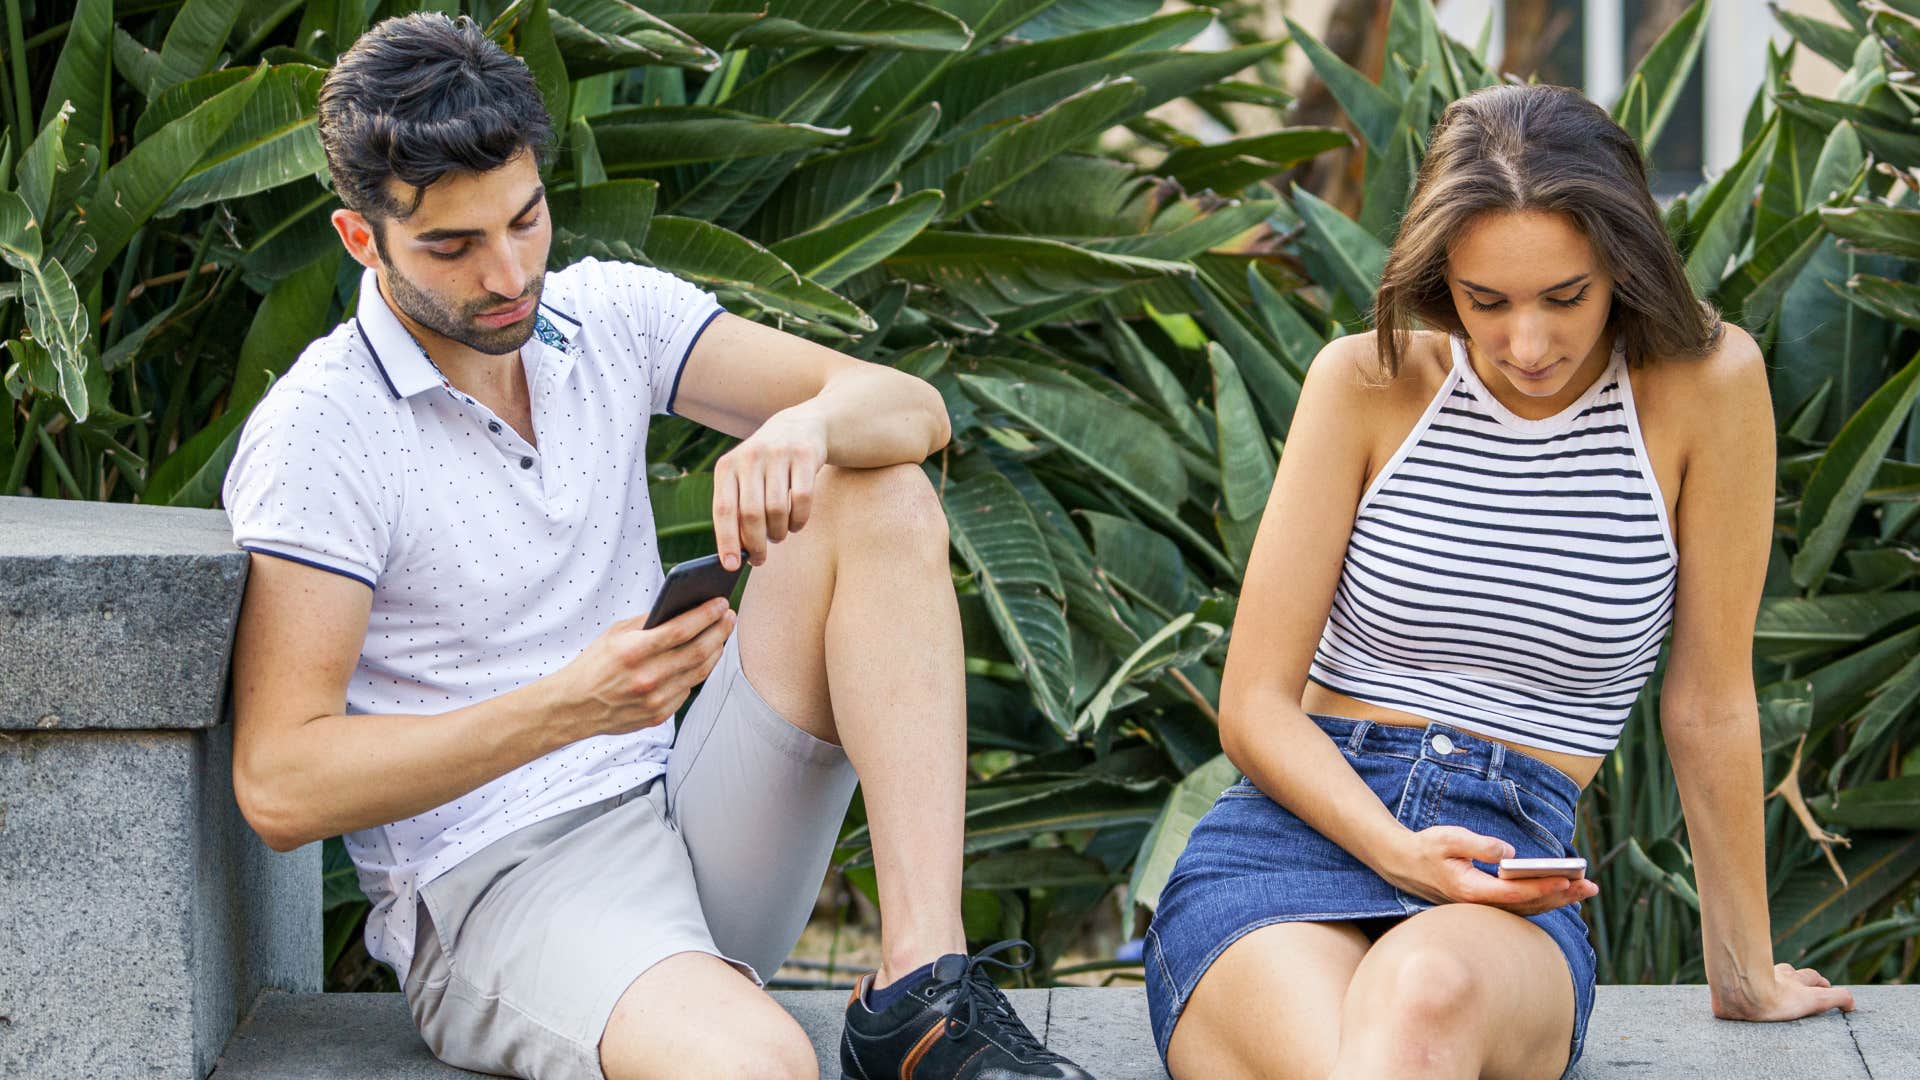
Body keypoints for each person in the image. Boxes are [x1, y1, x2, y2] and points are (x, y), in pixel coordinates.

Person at [221, 13, 1091, 1080]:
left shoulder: (607, 316)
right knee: (759, 1067)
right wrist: (568, 708)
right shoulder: (322, 430)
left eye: (526, 220)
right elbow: (280, 785)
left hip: (682, 801)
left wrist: (807, 429)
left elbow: (913, 409)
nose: (509, 273)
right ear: (363, 239)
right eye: (453, 247)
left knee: (882, 492)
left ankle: (921, 987)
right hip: (499, 880)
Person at [1142, 83, 1856, 1080]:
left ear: (1624, 264)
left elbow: (1708, 702)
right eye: (1488, 303)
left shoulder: (1706, 384)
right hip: (1292, 837)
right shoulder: (1365, 382)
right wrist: (1397, 850)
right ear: (1441, 278)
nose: (1527, 346)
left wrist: (1743, 971)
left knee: (1423, 1002)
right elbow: (1254, 704)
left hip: (1509, 856)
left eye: (1565, 297)